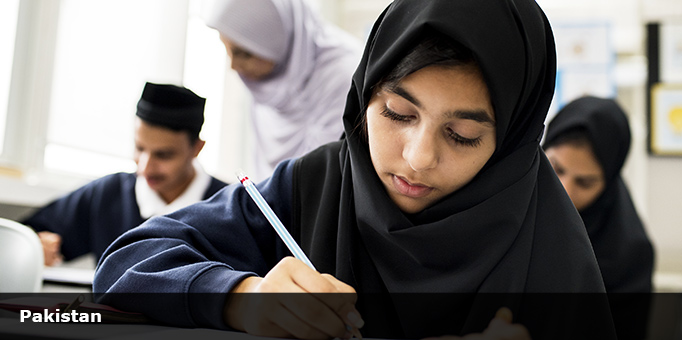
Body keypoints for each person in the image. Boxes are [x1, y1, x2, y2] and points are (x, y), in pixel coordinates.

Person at [94, 1, 615, 339]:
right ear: (364, 97)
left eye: (462, 135)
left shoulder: (548, 240)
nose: (417, 157)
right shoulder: (314, 185)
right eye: (397, 114)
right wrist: (242, 299)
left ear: (511, 143)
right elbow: (127, 264)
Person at [23, 82, 228, 266]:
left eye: (163, 155)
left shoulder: (229, 208)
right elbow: (25, 234)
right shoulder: (107, 194)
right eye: (139, 148)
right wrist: (33, 247)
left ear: (196, 149)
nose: (145, 168)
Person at [203, 0, 361, 180]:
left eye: (243, 53)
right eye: (227, 50)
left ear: (274, 38)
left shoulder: (344, 75)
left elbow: (326, 175)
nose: (233, 66)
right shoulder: (271, 74)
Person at [542, 96, 655, 339]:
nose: (565, 191)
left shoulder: (631, 255)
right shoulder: (509, 213)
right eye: (556, 168)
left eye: (585, 182)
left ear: (608, 183)